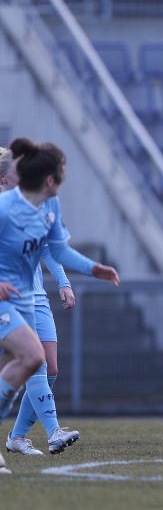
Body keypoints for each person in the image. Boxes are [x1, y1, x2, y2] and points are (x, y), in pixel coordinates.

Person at [0, 139, 120, 473]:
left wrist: (93, 269)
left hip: (26, 299)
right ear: (50, 179)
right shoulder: (5, 208)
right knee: (31, 359)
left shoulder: (50, 208)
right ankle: (52, 431)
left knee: (33, 364)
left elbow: (59, 250)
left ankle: (17, 437)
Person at [0, 145, 79, 456]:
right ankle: (54, 430)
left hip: (36, 296)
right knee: (36, 363)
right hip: (12, 300)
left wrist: (63, 282)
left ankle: (17, 438)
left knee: (51, 368)